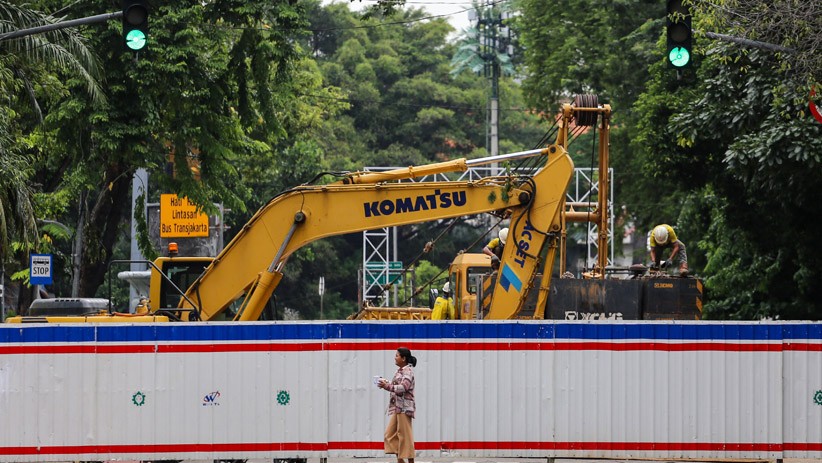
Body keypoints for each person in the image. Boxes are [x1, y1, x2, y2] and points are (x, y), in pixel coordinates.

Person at [379, 347, 417, 463]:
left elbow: (403, 387)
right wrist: (386, 383)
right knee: (389, 435)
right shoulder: (399, 371)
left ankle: (408, 461)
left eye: (397, 355)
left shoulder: (408, 371)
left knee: (405, 436)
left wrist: (387, 387)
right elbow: (396, 385)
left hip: (405, 408)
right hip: (398, 408)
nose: (395, 358)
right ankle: (400, 460)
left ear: (403, 358)